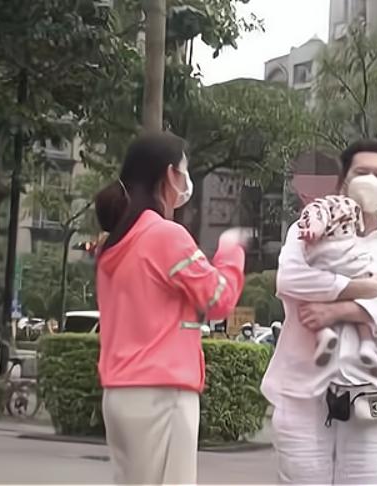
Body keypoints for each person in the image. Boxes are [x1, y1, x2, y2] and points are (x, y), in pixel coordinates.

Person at [261, 140, 377, 485]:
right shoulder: (306, 233)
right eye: (362, 172)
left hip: (373, 397)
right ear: (342, 183)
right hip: (303, 396)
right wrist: (363, 289)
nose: (371, 181)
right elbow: (291, 280)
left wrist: (338, 310)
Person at [93, 132, 247, 485]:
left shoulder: (113, 244)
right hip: (163, 393)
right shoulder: (166, 235)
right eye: (184, 170)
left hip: (119, 394)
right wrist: (231, 251)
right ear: (170, 174)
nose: (186, 181)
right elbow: (219, 300)